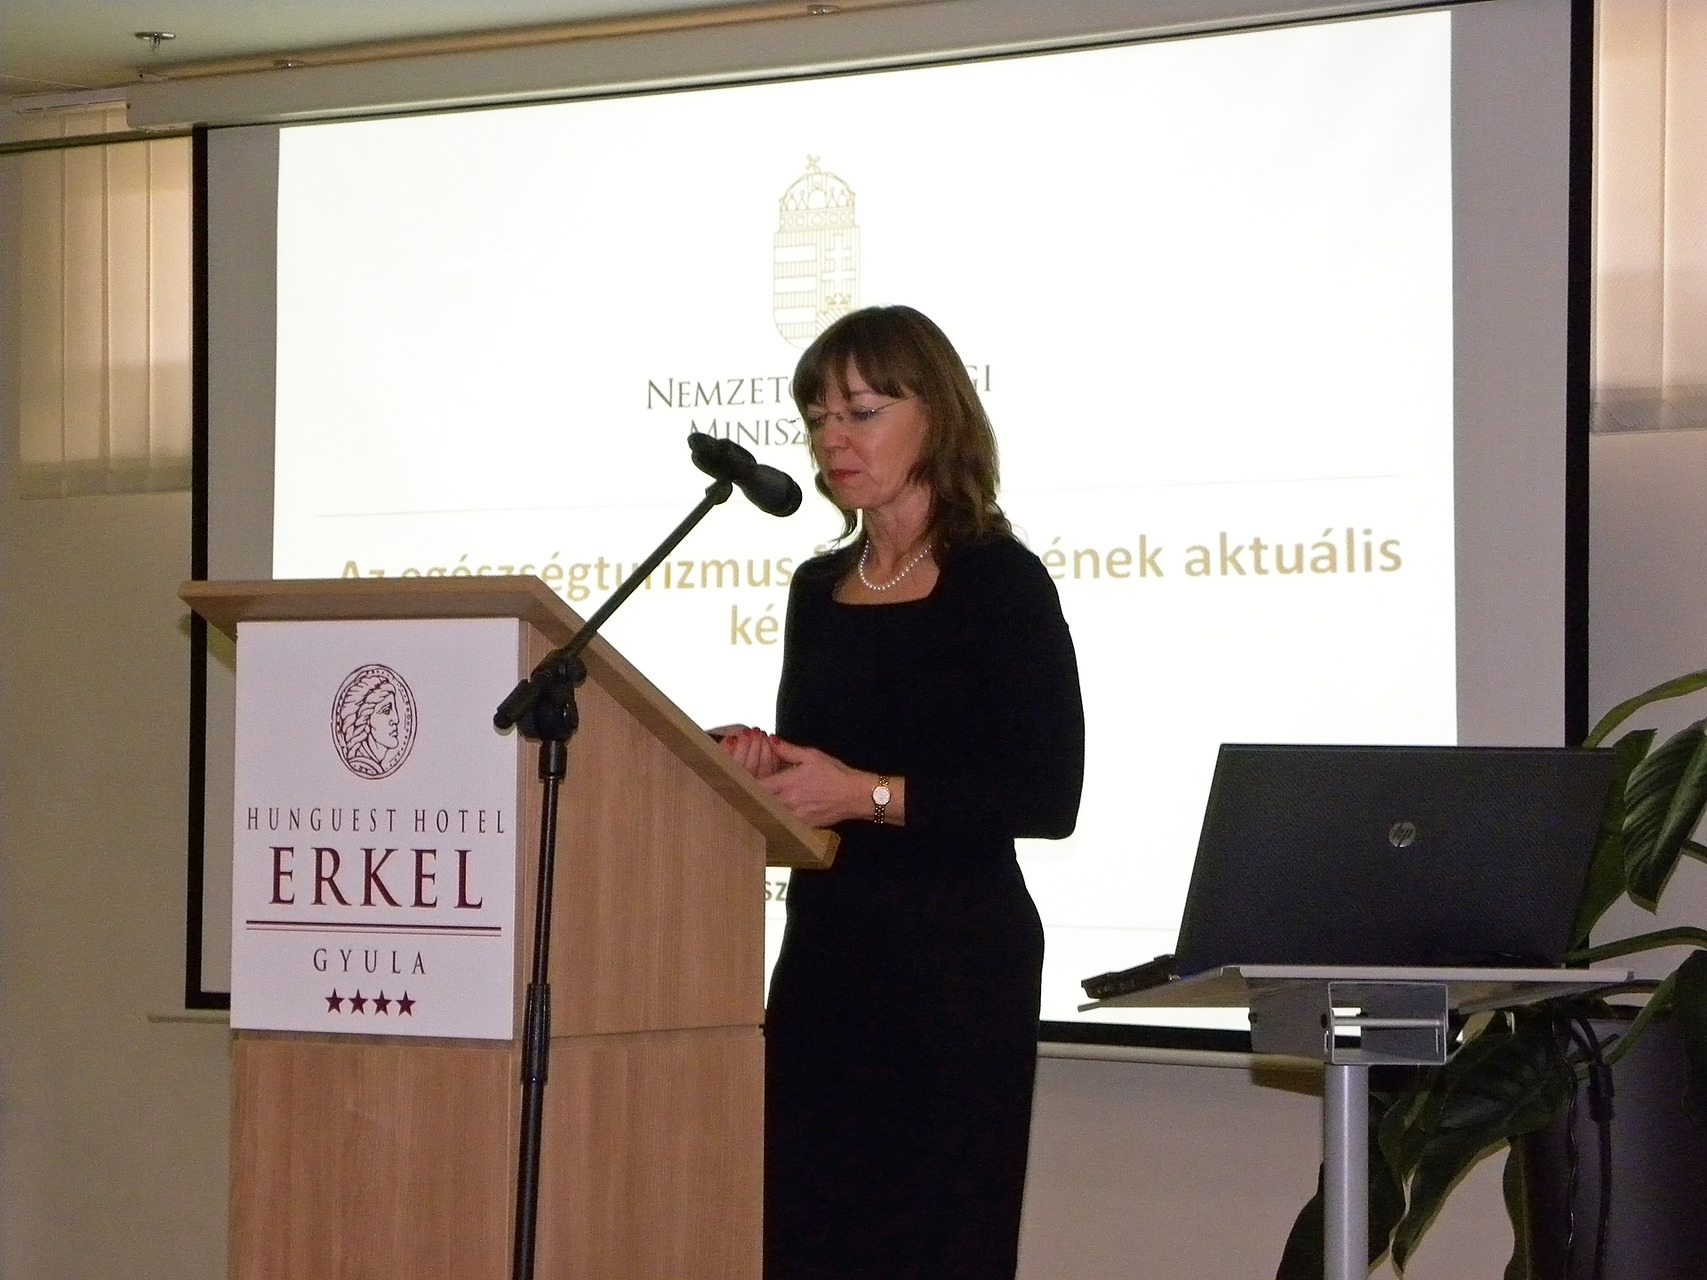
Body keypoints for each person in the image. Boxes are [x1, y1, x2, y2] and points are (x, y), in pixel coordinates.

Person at [718, 305, 1085, 1280]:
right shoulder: (817, 587)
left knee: (934, 1243)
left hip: (955, 972)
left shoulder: (1000, 582)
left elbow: (1046, 794)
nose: (832, 439)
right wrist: (765, 766)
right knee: (804, 1235)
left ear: (938, 415)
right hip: (828, 957)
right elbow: (821, 767)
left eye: (861, 411)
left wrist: (865, 794)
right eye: (817, 417)